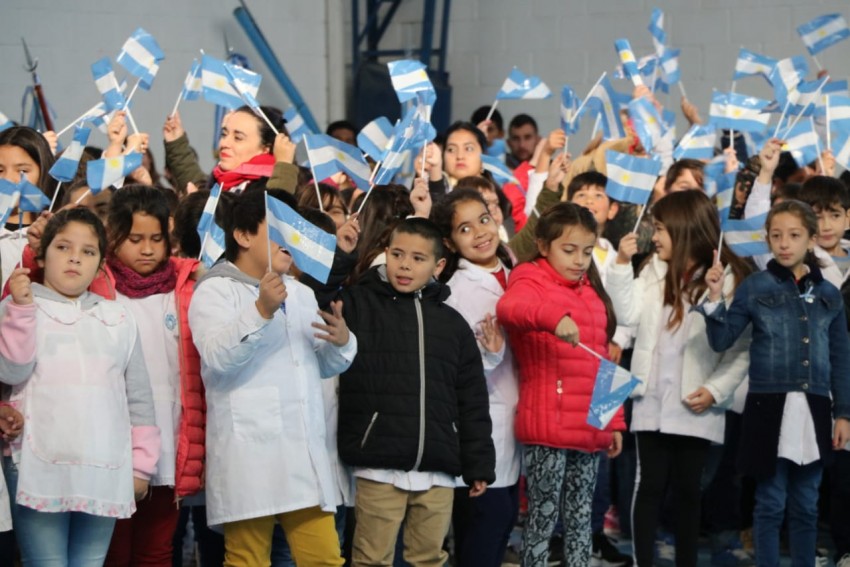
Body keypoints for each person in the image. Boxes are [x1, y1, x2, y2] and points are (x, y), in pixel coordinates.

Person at [189, 189, 355, 566]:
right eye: (279, 229)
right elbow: (217, 358)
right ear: (244, 236)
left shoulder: (299, 294)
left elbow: (320, 365)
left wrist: (341, 342)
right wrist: (261, 310)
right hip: (250, 456)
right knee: (248, 560)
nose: (291, 240)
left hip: (303, 456)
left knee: (325, 558)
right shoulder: (215, 290)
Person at [0, 207, 160, 565]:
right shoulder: (21, 305)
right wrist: (22, 312)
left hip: (103, 465)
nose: (75, 258)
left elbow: (138, 395)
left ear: (101, 263)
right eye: (63, 247)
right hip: (37, 462)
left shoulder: (118, 317)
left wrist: (141, 466)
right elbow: (11, 372)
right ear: (42, 254)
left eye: (88, 251)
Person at [336, 217, 495, 567]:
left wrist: (478, 462)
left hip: (438, 470)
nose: (405, 264)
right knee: (371, 559)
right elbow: (318, 299)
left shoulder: (452, 325)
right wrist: (341, 257)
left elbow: (471, 400)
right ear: (386, 254)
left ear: (438, 265)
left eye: (418, 258)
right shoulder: (360, 304)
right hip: (378, 466)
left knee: (429, 559)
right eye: (397, 254)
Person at [699, 200, 850, 567]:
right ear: (766, 238)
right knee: (769, 502)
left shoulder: (829, 293)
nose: (784, 243)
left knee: (807, 504)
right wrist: (715, 297)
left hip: (815, 406)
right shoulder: (754, 286)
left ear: (811, 239)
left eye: (794, 236)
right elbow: (721, 341)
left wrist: (843, 412)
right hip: (767, 406)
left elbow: (841, 356)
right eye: (776, 235)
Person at [610, 191, 751, 567]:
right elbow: (626, 314)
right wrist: (622, 263)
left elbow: (740, 349)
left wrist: (715, 389)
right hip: (651, 399)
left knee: (690, 491)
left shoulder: (725, 276)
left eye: (660, 229)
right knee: (650, 486)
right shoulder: (651, 268)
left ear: (684, 228)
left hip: (697, 402)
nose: (654, 237)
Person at [497, 202, 625, 567]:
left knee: (583, 517)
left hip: (589, 426)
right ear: (543, 245)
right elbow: (510, 309)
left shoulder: (591, 293)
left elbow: (602, 359)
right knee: (542, 517)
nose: (580, 260)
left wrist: (613, 421)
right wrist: (552, 318)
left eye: (587, 251)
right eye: (569, 250)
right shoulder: (529, 277)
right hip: (548, 425)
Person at [100, 185, 205, 566]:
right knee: (114, 548)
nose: (147, 249)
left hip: (169, 443)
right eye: (135, 239)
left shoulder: (184, 288)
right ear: (113, 236)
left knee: (157, 550)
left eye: (156, 239)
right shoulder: (101, 287)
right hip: (113, 444)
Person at [431, 189, 519, 567]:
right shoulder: (458, 292)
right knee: (483, 533)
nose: (481, 232)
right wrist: (492, 351)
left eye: (484, 219)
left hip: (516, 422)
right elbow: (456, 373)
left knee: (502, 526)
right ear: (450, 242)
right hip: (484, 430)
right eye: (465, 229)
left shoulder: (516, 273)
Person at [163, 107, 298, 194]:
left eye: (238, 138)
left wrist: (197, 209)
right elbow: (198, 185)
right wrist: (176, 142)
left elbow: (270, 220)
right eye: (224, 134)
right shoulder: (223, 180)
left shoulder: (269, 187)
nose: (224, 143)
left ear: (265, 148)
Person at [0, 127, 57, 288]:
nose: (9, 179)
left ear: (43, 171)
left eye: (23, 171)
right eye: (0, 170)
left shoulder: (56, 232)